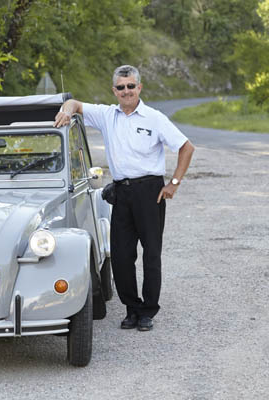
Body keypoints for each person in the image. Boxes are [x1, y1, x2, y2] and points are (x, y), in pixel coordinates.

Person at [54, 65, 194, 331]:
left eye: (131, 86)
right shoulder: (108, 115)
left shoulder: (155, 118)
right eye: (121, 87)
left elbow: (186, 147)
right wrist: (66, 110)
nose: (126, 91)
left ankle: (147, 311)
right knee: (120, 255)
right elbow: (74, 103)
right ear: (114, 90)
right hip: (121, 192)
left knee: (151, 254)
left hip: (150, 192)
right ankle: (131, 308)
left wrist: (173, 183)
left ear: (139, 88)